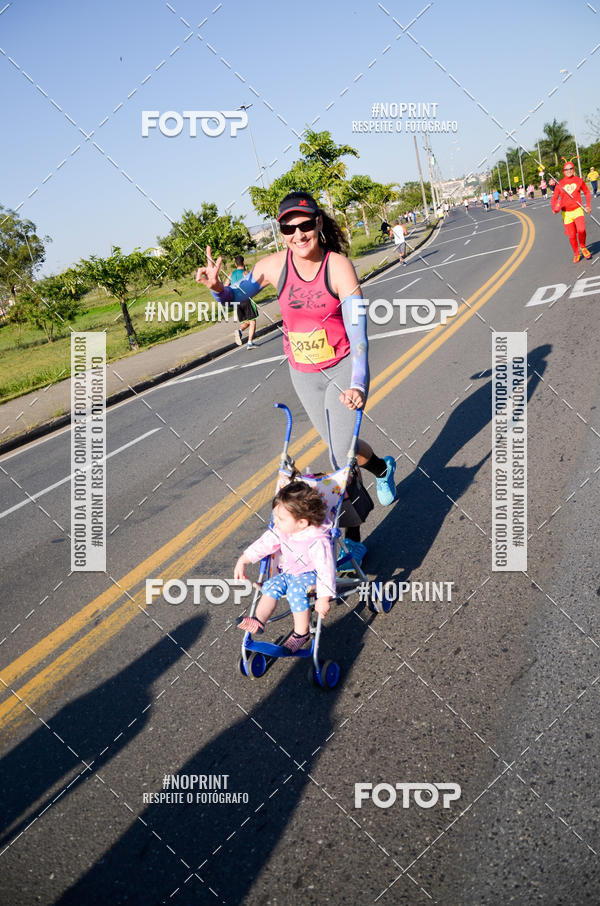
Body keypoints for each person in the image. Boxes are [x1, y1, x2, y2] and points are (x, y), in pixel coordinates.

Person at [195, 191, 398, 550]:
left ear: (318, 223)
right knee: (343, 448)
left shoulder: (337, 267)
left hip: (341, 368)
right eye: (289, 227)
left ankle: (353, 537)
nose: (298, 234)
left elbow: (359, 333)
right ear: (281, 230)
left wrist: (358, 384)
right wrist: (216, 289)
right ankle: (382, 468)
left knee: (340, 460)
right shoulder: (272, 266)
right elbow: (236, 298)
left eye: (305, 225)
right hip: (303, 374)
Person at [234, 481, 334, 652]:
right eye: (275, 516)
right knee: (271, 585)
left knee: (296, 589)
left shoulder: (317, 539)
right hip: (290, 572)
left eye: (280, 518)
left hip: (312, 574)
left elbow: (326, 569)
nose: (275, 522)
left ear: (302, 522)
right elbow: (264, 544)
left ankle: (301, 633)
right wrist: (244, 559)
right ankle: (258, 620)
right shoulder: (282, 530)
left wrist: (323, 598)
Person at [551, 159, 592, 262]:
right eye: (566, 169)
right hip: (566, 213)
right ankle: (576, 253)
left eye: (571, 169)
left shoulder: (579, 180)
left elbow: (587, 192)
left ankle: (583, 247)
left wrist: (588, 205)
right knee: (572, 235)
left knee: (581, 230)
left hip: (578, 209)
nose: (569, 171)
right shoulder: (560, 183)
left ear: (573, 169)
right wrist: (555, 208)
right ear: (563, 171)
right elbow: (554, 198)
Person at [226, 255, 258, 348]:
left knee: (246, 322)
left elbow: (225, 286)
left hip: (237, 301)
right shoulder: (245, 273)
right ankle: (250, 343)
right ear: (243, 263)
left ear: (235, 264)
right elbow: (252, 285)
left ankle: (239, 331)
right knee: (253, 322)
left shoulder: (231, 274)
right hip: (246, 299)